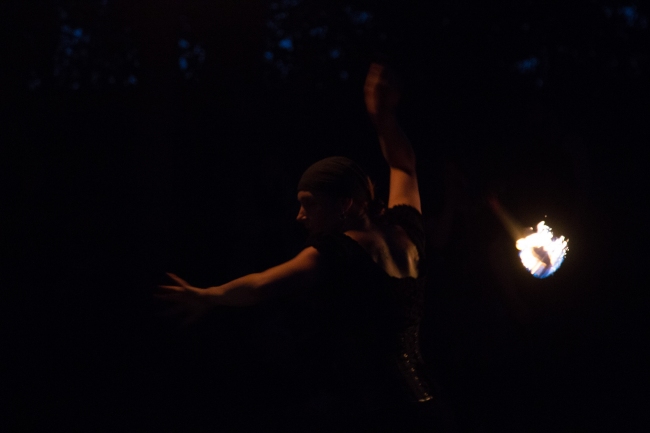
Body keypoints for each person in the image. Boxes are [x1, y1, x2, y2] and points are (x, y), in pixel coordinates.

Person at [158, 63, 453, 431]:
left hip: (380, 413)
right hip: (428, 403)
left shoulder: (338, 252)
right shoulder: (407, 230)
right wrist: (384, 117)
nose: (300, 216)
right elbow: (403, 166)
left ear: (344, 204)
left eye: (308, 204)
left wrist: (207, 295)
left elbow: (261, 285)